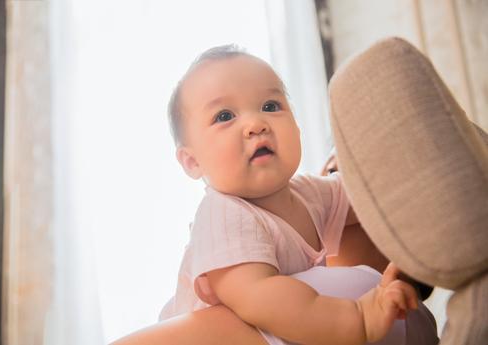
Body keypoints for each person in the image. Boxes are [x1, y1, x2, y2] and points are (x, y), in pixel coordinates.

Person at [113, 45, 434, 345]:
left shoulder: (309, 193)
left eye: (270, 106)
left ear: (297, 127)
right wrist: (360, 318)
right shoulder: (223, 215)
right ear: (193, 161)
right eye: (224, 116)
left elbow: (370, 193)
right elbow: (264, 300)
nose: (255, 123)